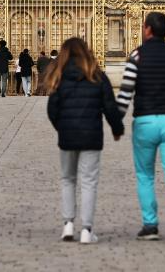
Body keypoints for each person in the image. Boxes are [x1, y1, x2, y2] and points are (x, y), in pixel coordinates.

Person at [116, 11, 165, 245]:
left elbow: (126, 93)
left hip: (145, 122)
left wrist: (116, 121)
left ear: (148, 29)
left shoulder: (137, 55)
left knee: (145, 175)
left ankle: (150, 225)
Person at [46, 37, 124, 245]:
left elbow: (52, 109)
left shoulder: (59, 75)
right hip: (91, 136)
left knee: (67, 179)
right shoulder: (97, 75)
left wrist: (62, 128)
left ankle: (68, 225)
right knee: (89, 182)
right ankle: (87, 230)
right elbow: (110, 106)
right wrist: (117, 129)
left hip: (67, 136)